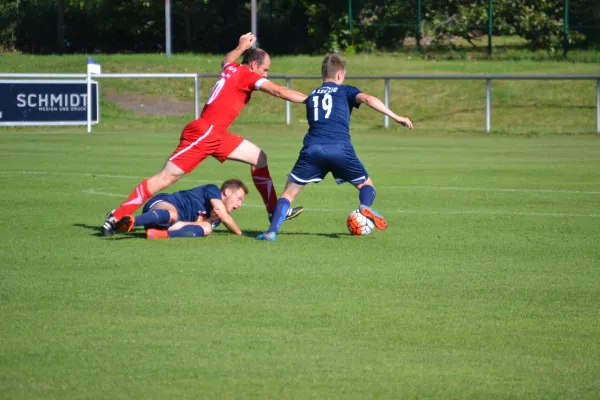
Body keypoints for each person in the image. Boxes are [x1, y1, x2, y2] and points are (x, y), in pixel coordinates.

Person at [101, 32, 306, 237]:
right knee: (165, 178)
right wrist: (311, 99)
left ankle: (273, 212)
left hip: (217, 134)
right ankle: (117, 215)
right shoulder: (247, 75)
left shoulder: (232, 67)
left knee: (259, 158)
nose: (266, 75)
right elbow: (279, 91)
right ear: (253, 66)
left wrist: (241, 46)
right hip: (204, 133)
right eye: (265, 70)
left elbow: (226, 59)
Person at [256, 54, 414, 241]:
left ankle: (271, 231)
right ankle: (364, 205)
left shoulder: (313, 95)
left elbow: (288, 95)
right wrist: (396, 117)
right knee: (366, 185)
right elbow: (369, 99)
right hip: (340, 148)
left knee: (289, 193)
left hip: (312, 149)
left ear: (324, 74)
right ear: (340, 75)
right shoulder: (346, 91)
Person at [113, 179, 248, 239]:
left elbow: (194, 225)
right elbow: (224, 215)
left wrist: (210, 220)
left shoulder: (217, 218)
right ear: (227, 192)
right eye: (239, 198)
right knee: (172, 214)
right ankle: (131, 221)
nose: (239, 205)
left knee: (207, 228)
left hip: (168, 225)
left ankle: (161, 235)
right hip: (162, 204)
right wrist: (240, 234)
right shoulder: (212, 190)